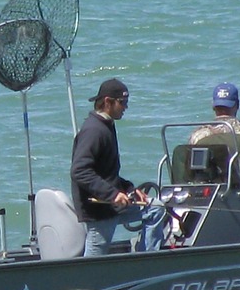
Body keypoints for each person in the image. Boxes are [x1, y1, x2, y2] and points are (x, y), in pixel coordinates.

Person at [70, 78, 167, 257]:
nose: (125, 107)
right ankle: (83, 281)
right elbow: (79, 171)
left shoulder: (106, 125)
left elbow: (107, 172)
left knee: (155, 208)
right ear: (107, 102)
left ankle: (146, 260)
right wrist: (113, 194)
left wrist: (129, 188)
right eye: (122, 103)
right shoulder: (94, 131)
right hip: (99, 209)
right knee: (93, 260)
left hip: (112, 205)